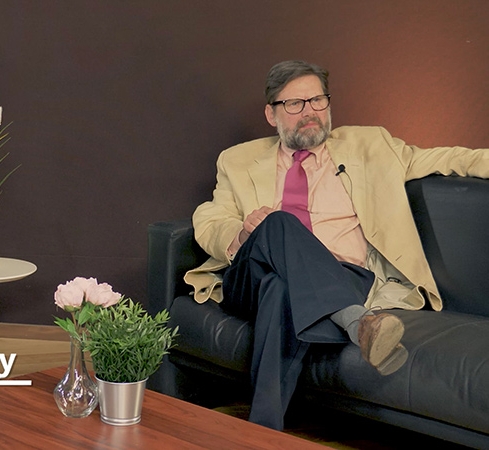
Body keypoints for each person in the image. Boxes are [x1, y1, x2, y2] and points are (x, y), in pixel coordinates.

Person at [186, 60, 488, 430]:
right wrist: (241, 234)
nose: (310, 112)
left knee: (281, 288)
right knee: (278, 223)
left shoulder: (370, 145)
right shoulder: (238, 160)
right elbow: (208, 217)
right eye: (295, 104)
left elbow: (448, 158)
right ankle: (358, 322)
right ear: (271, 114)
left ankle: (261, 433)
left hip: (344, 277)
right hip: (251, 274)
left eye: (318, 100)